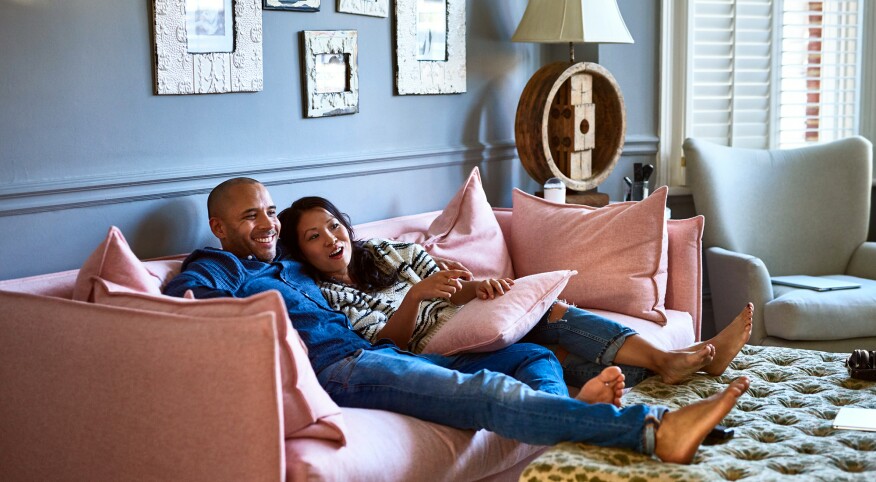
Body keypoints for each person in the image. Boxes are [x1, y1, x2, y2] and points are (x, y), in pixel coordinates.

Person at [163, 177, 751, 464]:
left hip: (383, 358)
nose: (266, 223)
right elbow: (186, 307)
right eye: (250, 217)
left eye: (269, 211)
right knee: (486, 391)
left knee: (529, 356)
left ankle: (576, 422)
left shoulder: (289, 264)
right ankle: (650, 430)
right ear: (220, 227)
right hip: (340, 369)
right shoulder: (220, 263)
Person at [277, 196, 754, 388]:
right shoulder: (323, 295)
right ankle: (684, 361)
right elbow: (388, 345)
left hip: (459, 316)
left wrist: (476, 288)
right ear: (301, 251)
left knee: (556, 319)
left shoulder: (381, 251)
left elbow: (452, 286)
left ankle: (676, 362)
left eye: (333, 226)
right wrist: (417, 297)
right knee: (543, 344)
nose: (331, 240)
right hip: (427, 343)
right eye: (314, 237)